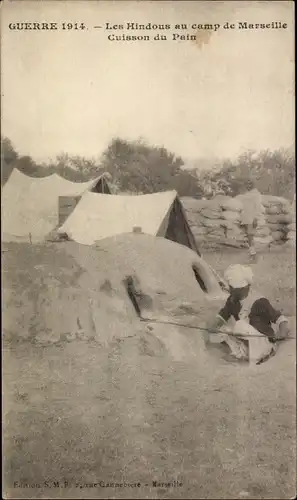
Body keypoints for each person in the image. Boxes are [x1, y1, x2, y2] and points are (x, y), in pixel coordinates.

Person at [207, 264, 290, 364]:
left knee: (239, 325)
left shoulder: (260, 302)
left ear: (243, 288)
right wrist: (215, 325)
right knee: (221, 331)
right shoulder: (232, 300)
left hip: (262, 342)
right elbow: (224, 314)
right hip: (246, 340)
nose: (230, 290)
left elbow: (280, 318)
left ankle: (257, 357)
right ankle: (242, 353)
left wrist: (282, 333)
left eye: (232, 288)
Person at [240, 181, 263, 260]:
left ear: (253, 185)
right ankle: (251, 253)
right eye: (246, 184)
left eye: (249, 184)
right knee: (248, 237)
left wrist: (256, 219)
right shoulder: (247, 194)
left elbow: (258, 207)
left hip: (251, 218)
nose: (248, 186)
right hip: (246, 218)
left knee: (250, 236)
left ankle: (253, 255)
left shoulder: (256, 194)